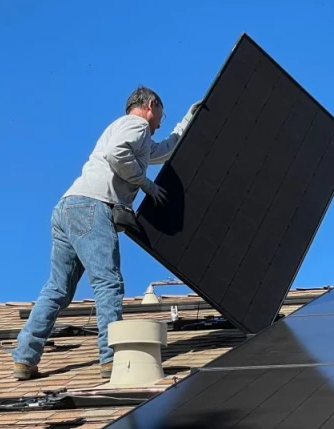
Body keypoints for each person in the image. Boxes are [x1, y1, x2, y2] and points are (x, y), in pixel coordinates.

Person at [11, 86, 202, 380]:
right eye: (163, 113)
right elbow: (117, 154)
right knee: (108, 283)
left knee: (57, 289)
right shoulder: (136, 125)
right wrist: (145, 185)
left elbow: (163, 151)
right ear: (151, 105)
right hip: (92, 207)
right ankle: (111, 359)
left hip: (67, 208)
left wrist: (188, 120)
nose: (162, 120)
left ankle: (25, 358)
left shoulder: (129, 132)